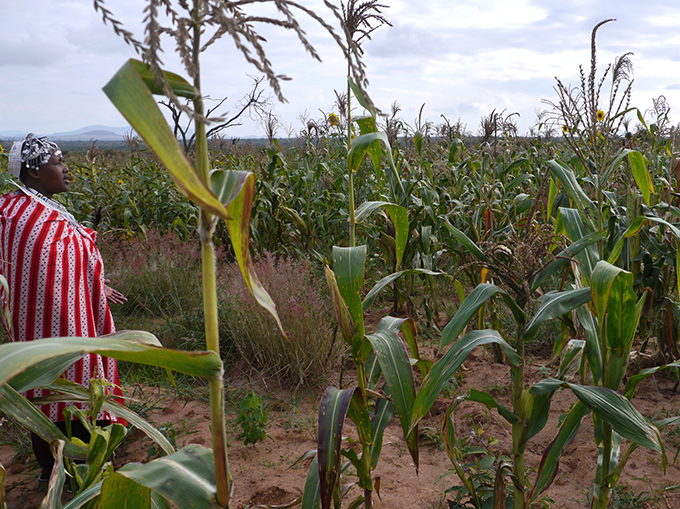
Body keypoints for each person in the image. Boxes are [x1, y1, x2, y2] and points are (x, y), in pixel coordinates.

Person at [1, 134, 127, 483]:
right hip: (56, 334)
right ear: (36, 171)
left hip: (57, 332)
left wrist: (96, 286)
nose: (65, 168)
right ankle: (68, 473)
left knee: (60, 395)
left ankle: (64, 469)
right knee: (63, 396)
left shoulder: (30, 210)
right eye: (57, 162)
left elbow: (65, 265)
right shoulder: (26, 216)